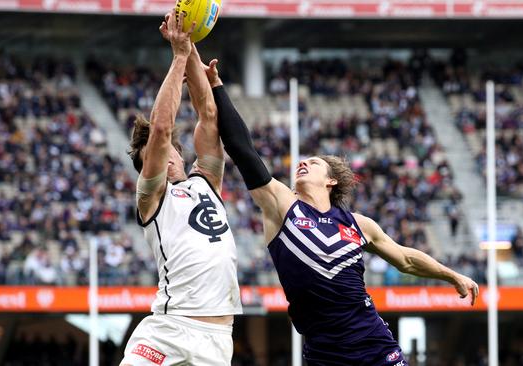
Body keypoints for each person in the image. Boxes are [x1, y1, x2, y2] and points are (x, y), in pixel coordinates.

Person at [203, 61, 479, 365]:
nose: (302, 164)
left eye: (314, 163)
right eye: (301, 162)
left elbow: (407, 259)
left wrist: (452, 275)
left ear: (331, 181)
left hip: (375, 346)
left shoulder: (358, 224)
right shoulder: (283, 208)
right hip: (324, 354)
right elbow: (243, 150)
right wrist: (216, 85)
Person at [120, 13, 242, 366]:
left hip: (218, 338)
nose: (164, 157)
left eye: (170, 151)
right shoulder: (151, 199)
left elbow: (209, 114)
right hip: (168, 330)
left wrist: (189, 49)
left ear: (180, 151)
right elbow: (160, 129)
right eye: (152, 159)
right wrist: (176, 57)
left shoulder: (207, 181)